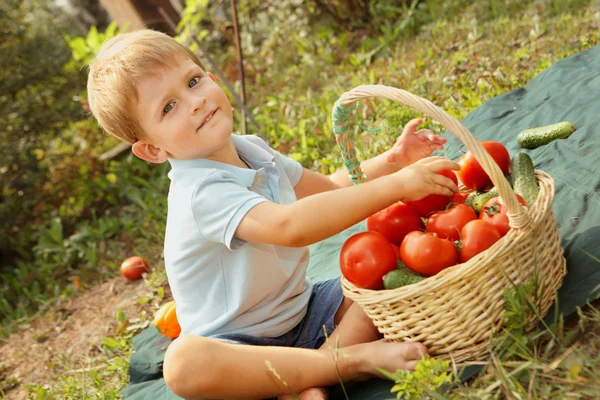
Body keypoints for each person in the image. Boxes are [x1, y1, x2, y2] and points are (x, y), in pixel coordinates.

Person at [87, 29, 459, 400]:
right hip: (237, 349)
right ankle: (347, 363)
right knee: (182, 362)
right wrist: (395, 188)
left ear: (212, 79)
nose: (195, 102)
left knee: (385, 274)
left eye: (193, 81)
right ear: (152, 150)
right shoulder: (199, 191)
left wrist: (392, 162)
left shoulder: (251, 149)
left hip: (307, 310)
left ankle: (309, 377)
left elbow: (328, 188)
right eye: (169, 107)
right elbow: (290, 226)